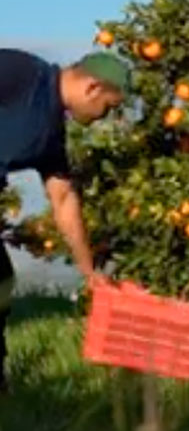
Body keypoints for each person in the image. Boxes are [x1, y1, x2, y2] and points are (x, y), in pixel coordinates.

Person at [0, 49, 130, 392]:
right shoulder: (23, 73)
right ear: (92, 87)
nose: (106, 117)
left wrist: (89, 273)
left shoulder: (51, 132)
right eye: (109, 106)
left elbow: (63, 199)